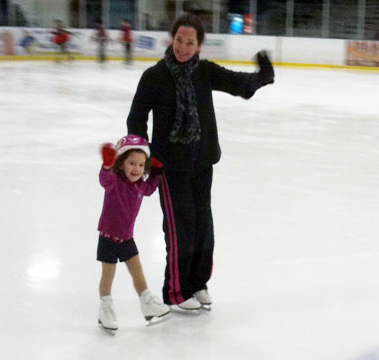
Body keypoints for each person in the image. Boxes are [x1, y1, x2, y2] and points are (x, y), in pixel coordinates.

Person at [126, 13, 274, 310]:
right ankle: (177, 292)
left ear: (199, 45)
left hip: (202, 162)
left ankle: (199, 283)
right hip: (168, 166)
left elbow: (237, 83)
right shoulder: (154, 76)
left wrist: (262, 76)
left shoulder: (203, 72)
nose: (182, 47)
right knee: (181, 228)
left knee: (203, 225)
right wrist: (146, 158)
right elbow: (136, 120)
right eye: (179, 40)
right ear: (172, 39)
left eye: (189, 42)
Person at [96, 134, 170, 331]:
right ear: (120, 163)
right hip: (108, 237)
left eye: (140, 165)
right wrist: (106, 165)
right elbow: (104, 179)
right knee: (107, 276)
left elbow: (149, 189)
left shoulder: (139, 186)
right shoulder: (114, 181)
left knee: (137, 271)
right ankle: (105, 309)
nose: (136, 169)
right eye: (131, 163)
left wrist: (157, 173)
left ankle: (147, 304)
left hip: (127, 238)